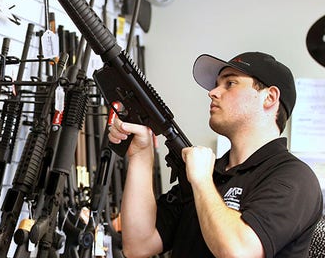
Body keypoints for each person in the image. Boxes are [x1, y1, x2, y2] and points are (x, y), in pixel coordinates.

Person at [108, 52, 323, 257]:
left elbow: (238, 251)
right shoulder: (211, 172)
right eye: (216, 84)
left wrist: (201, 181)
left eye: (230, 83)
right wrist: (140, 155)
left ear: (269, 97)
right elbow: (137, 245)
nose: (213, 92)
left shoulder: (294, 178)